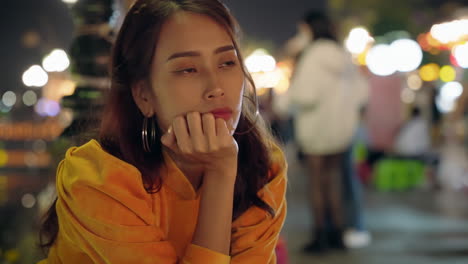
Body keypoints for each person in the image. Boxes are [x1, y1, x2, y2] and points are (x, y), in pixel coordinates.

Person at [38, 0, 287, 263]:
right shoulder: (98, 178)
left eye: (226, 63)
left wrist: (222, 171)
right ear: (144, 95)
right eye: (187, 69)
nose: (216, 87)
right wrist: (220, 175)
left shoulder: (263, 166)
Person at [288, 10, 367, 253]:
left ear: (309, 28)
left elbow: (305, 95)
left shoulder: (312, 56)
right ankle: (338, 233)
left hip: (316, 129)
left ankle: (320, 234)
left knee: (316, 184)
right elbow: (362, 93)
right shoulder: (343, 56)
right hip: (341, 130)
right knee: (334, 182)